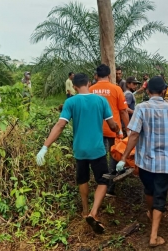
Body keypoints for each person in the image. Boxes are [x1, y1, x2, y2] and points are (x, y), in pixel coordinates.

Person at [36, 73, 120, 234]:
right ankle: (93, 213)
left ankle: (84, 210)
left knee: (83, 179)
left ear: (74, 86)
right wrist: (117, 128)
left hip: (80, 149)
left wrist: (45, 147)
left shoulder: (71, 102)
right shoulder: (101, 100)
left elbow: (60, 125)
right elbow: (111, 125)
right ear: (89, 83)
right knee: (103, 181)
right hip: (97, 149)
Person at [116, 76, 168, 247]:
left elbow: (133, 135)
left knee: (149, 190)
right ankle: (154, 235)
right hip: (165, 162)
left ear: (148, 91)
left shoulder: (141, 108)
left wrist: (123, 157)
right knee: (160, 195)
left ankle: (151, 215)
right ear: (164, 91)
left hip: (146, 162)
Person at [89, 64, 129, 197]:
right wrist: (128, 129)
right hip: (114, 129)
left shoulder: (90, 90)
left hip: (96, 129)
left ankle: (100, 183)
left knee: (99, 156)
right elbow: (123, 111)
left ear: (96, 75)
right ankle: (110, 188)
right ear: (109, 75)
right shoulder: (116, 89)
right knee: (114, 156)